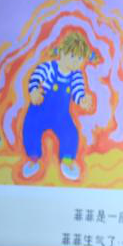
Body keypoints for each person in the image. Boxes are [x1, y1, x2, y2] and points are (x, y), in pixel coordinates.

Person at [21, 30, 94, 181]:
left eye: (80, 58)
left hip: (61, 116)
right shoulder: (49, 68)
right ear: (61, 52)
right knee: (30, 128)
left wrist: (82, 99)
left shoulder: (76, 75)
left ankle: (67, 160)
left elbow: (78, 91)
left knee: (70, 133)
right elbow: (35, 78)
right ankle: (33, 159)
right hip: (39, 111)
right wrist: (34, 91)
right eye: (72, 56)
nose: (75, 62)